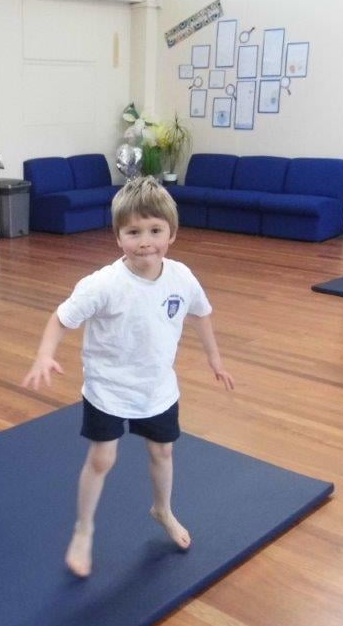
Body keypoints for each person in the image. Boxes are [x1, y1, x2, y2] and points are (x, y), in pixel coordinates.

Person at [22, 176, 235, 578]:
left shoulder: (182, 277)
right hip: (108, 388)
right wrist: (44, 355)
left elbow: (201, 314)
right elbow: (60, 318)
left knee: (163, 452)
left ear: (172, 234)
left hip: (157, 388)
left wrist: (215, 359)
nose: (145, 242)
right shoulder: (103, 285)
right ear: (118, 237)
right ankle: (84, 529)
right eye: (133, 232)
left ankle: (162, 510)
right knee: (102, 458)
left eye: (155, 231)